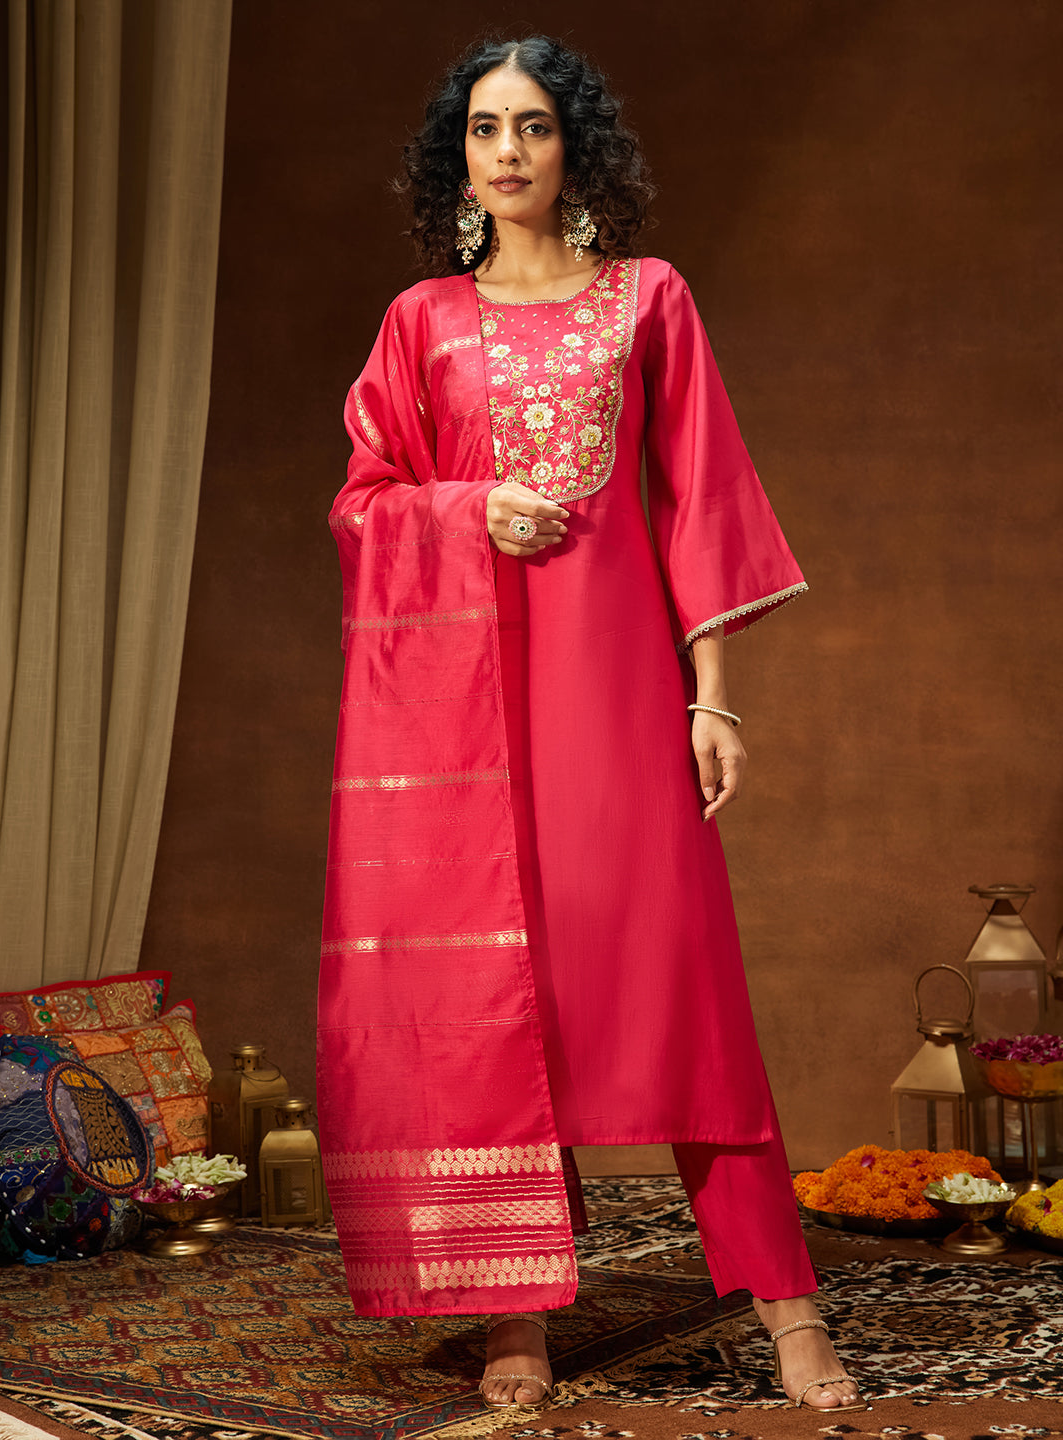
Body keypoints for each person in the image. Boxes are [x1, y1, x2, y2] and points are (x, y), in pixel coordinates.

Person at [318, 34, 866, 1417]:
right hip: (467, 717)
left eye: (535, 126)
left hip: (616, 694)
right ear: (459, 155)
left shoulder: (648, 297)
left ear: (578, 148)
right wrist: (468, 510)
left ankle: (788, 1305)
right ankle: (518, 1315)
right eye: (484, 127)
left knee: (683, 993)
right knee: (503, 1000)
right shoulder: (421, 321)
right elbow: (364, 501)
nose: (507, 151)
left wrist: (712, 697)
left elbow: (699, 500)